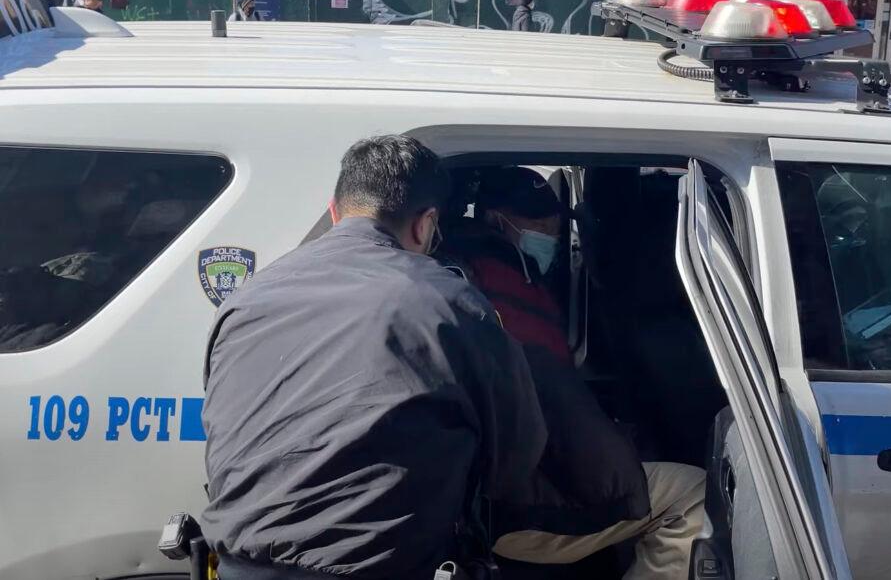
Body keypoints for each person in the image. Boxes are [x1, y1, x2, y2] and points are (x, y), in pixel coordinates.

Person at [202, 136, 548, 579]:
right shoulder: (448, 302)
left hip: (237, 565)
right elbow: (515, 461)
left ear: (335, 210)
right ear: (426, 225)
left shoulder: (247, 298)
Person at [440, 166, 707, 580]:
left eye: (554, 222)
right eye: (536, 221)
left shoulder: (497, 273)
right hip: (512, 503)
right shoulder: (488, 289)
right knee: (694, 495)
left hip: (516, 479)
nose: (549, 231)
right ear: (497, 219)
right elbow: (533, 402)